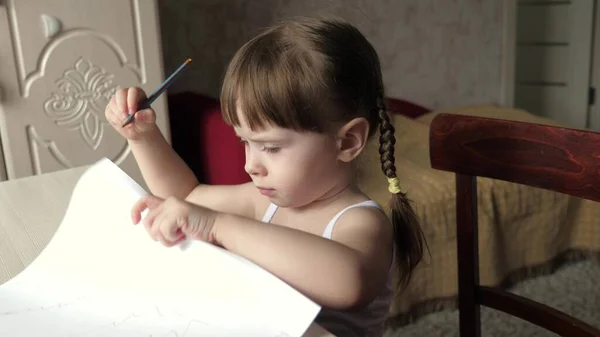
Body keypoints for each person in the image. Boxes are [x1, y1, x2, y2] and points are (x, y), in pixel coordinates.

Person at [104, 15, 426, 337]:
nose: (250, 165)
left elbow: (349, 283)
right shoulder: (260, 202)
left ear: (347, 142)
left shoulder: (359, 222)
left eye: (270, 148)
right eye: (245, 142)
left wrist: (217, 226)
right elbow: (186, 198)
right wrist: (142, 137)